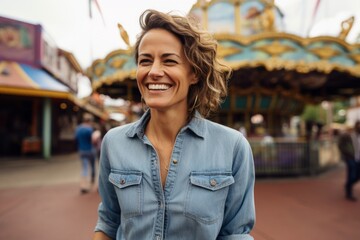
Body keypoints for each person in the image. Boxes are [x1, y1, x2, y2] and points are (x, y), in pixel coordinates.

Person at [93, 9, 255, 240]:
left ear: (194, 74)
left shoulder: (233, 147)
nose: (154, 72)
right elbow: (109, 222)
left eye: (169, 61)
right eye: (145, 61)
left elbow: (235, 234)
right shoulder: (114, 143)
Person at [338, 120, 360, 201]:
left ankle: (348, 185)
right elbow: (340, 144)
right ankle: (349, 193)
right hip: (351, 158)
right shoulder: (349, 135)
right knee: (351, 175)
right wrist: (346, 153)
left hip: (358, 159)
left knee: (357, 176)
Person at [75, 113, 96, 194]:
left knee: (84, 168)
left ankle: (83, 185)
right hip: (90, 150)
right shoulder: (89, 129)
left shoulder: (78, 128)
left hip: (82, 150)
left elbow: (76, 139)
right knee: (93, 166)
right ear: (90, 121)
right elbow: (93, 140)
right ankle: (92, 182)